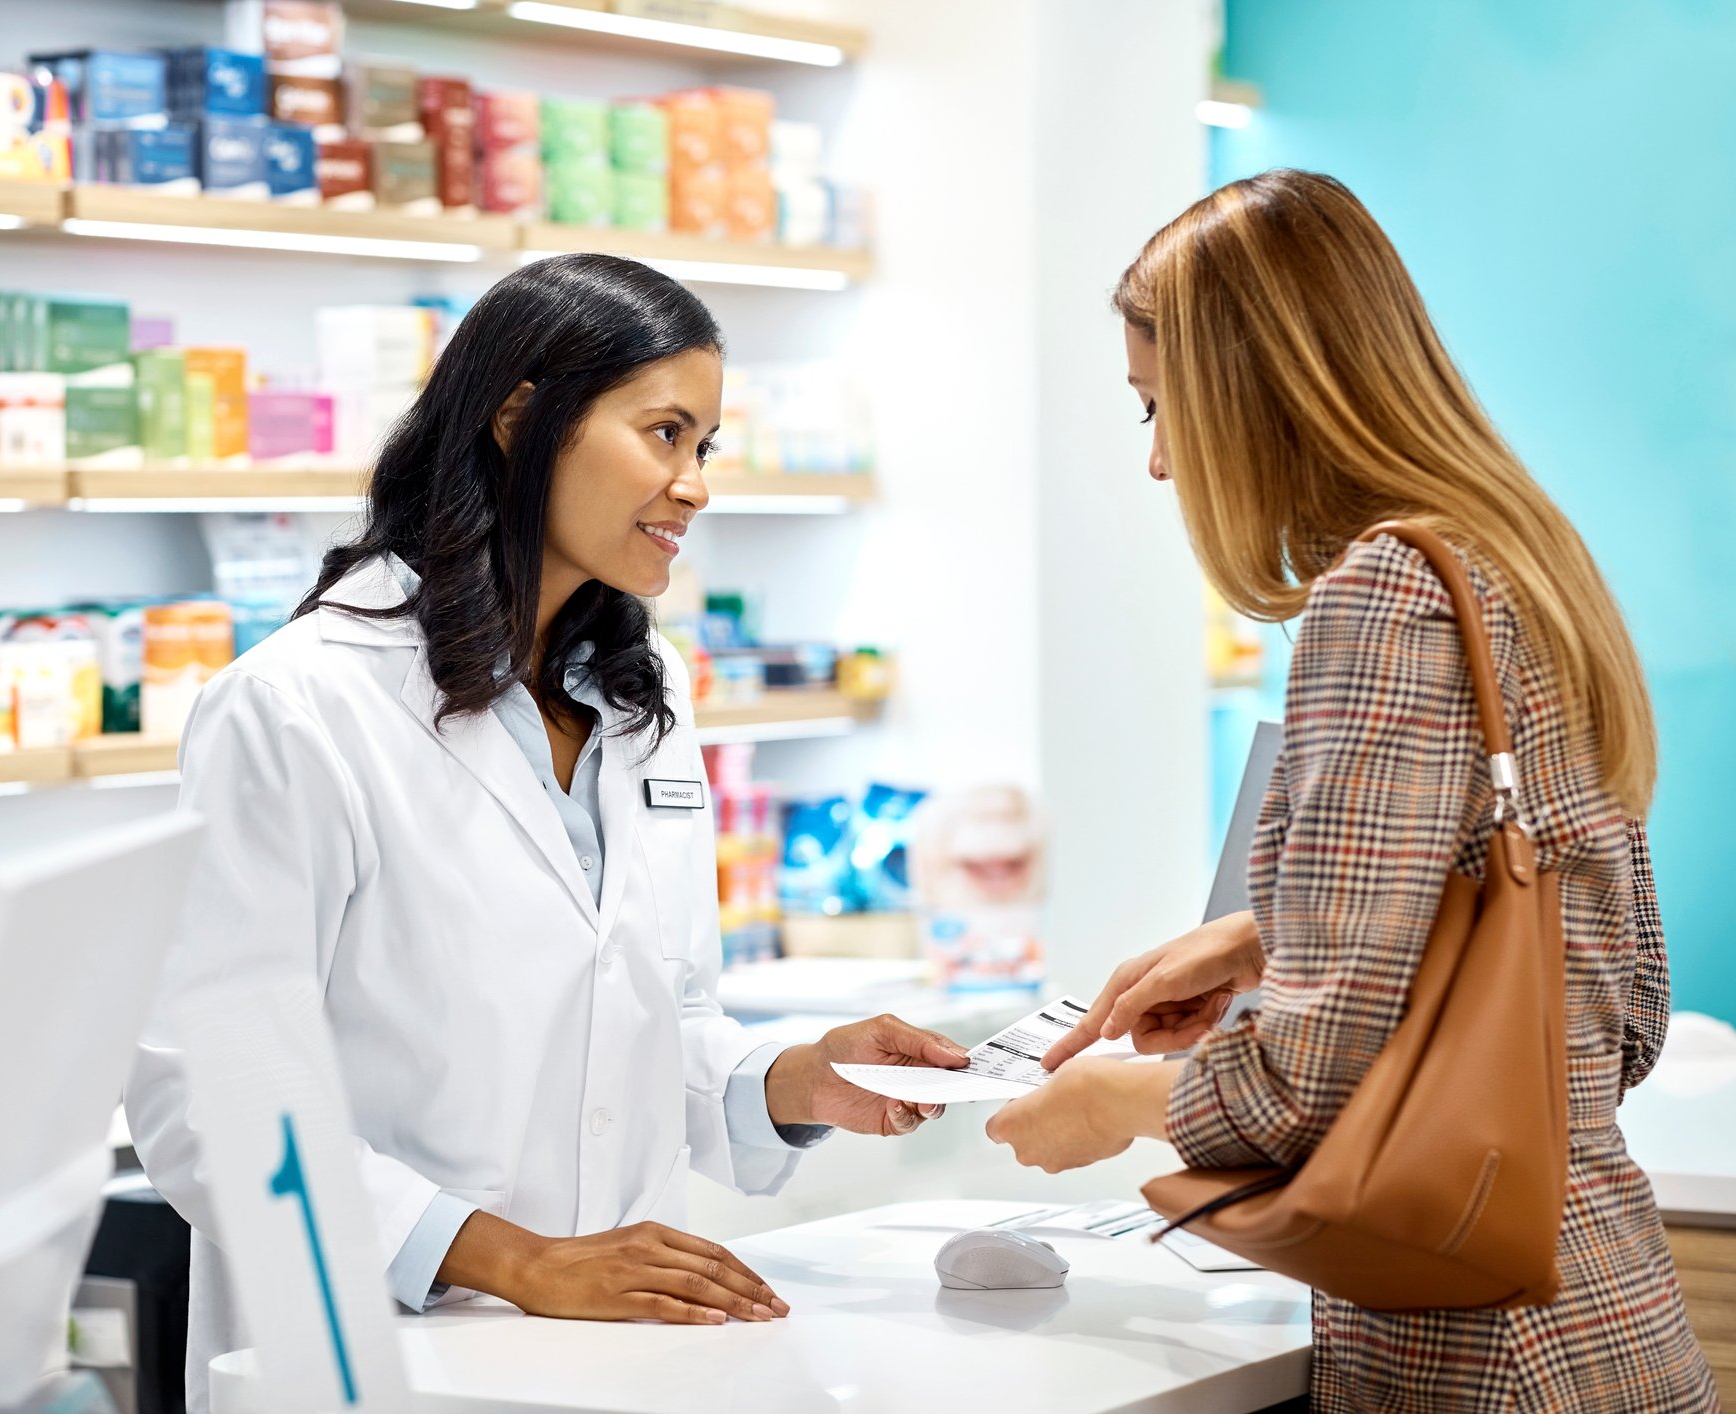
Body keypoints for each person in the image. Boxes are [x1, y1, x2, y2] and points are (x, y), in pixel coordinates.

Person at [127, 253, 970, 1403]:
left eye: (705, 446)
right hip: (375, 1361)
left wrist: (797, 1077)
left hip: (616, 1358)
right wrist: (520, 1261)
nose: (694, 485)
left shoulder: (639, 694)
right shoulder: (299, 704)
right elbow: (213, 1103)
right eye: (664, 433)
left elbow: (649, 1028)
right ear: (523, 420)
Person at [987, 171, 1716, 1410]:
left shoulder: (1381, 595)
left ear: (1255, 397)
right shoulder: (1523, 563)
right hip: (1611, 1315)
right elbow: (1619, 1007)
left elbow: (1303, 1085)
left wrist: (1112, 1102)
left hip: (1474, 1356)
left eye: (1164, 408)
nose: (1162, 462)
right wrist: (1268, 936)